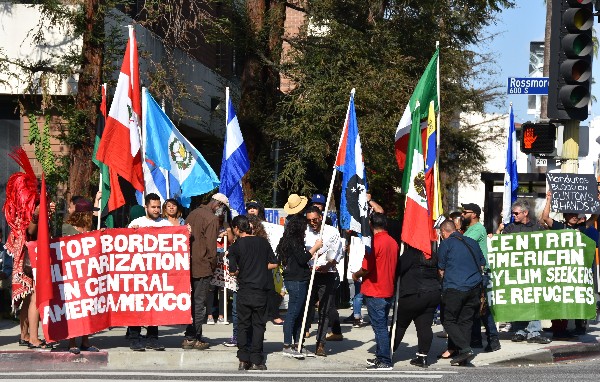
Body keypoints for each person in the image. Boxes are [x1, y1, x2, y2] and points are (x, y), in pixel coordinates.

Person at [542, 191, 597, 339]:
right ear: (565, 216)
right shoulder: (559, 226)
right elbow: (545, 217)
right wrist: (549, 199)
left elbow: (595, 216)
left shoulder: (581, 228)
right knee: (558, 298)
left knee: (571, 299)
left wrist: (596, 200)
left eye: (576, 214)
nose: (574, 216)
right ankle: (558, 328)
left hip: (575, 272)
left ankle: (567, 327)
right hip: (559, 270)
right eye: (571, 214)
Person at [228, 215, 279, 371]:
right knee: (258, 325)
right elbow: (274, 262)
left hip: (244, 290)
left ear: (237, 229)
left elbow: (232, 271)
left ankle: (243, 359)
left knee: (243, 325)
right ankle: (257, 359)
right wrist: (260, 267)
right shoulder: (263, 242)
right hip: (261, 290)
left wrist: (242, 269)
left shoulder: (235, 247)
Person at [499, 199, 551, 345]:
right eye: (513, 213)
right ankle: (519, 330)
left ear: (525, 213)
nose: (514, 215)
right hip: (516, 273)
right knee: (518, 300)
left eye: (516, 213)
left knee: (533, 300)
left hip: (534, 272)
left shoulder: (537, 228)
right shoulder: (510, 229)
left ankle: (534, 331)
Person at [352, 212, 398, 371]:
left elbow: (366, 268)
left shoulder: (373, 243)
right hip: (387, 289)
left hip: (375, 289)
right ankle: (381, 356)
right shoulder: (393, 242)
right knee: (381, 325)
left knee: (379, 327)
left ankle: (384, 360)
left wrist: (356, 274)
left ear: (371, 224)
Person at [127, 193, 172, 351]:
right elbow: (125, 246)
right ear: (145, 207)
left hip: (158, 273)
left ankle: (153, 338)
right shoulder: (136, 223)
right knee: (137, 305)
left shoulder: (166, 224)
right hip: (139, 274)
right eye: (153, 207)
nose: (156, 210)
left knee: (155, 306)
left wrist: (185, 231)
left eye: (158, 207)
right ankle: (134, 337)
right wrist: (131, 232)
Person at [182, 193, 227, 350]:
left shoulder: (193, 213)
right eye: (223, 209)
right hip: (203, 266)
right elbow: (211, 248)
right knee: (199, 303)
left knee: (192, 302)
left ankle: (190, 334)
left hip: (188, 264)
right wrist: (213, 266)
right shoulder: (212, 218)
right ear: (218, 205)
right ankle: (193, 337)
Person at [437, 219, 485, 366]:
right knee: (466, 321)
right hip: (474, 287)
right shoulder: (472, 242)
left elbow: (441, 269)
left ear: (444, 232)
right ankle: (463, 354)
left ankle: (464, 349)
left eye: (441, 233)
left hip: (455, 287)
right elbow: (482, 263)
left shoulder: (446, 244)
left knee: (448, 320)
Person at [277, 214, 322, 359]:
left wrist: (311, 255)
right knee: (293, 312)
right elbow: (302, 259)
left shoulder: (289, 240)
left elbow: (299, 258)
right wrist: (315, 247)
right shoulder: (293, 240)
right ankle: (287, 345)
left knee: (300, 313)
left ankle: (298, 344)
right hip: (296, 280)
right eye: (304, 226)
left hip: (297, 278)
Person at [62, 198, 101, 354]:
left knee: (88, 309)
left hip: (88, 275)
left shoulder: (91, 230)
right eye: (91, 213)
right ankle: (72, 342)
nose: (93, 216)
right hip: (72, 276)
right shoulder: (67, 228)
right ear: (85, 214)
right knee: (74, 310)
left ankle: (85, 341)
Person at [392, 244, 441, 368]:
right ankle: (422, 357)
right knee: (424, 326)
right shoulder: (433, 255)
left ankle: (387, 352)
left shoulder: (410, 254)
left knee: (400, 325)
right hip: (432, 293)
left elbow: (397, 270)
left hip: (413, 294)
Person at [460, 203, 500, 352]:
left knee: (483, 309)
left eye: (465, 212)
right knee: (473, 307)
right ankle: (476, 339)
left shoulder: (478, 229)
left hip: (480, 273)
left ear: (474, 214)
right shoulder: (469, 229)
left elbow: (463, 242)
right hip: (471, 272)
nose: (462, 214)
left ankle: (493, 340)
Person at [303, 206, 343, 357]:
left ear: (320, 217)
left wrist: (329, 264)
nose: (312, 223)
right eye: (309, 220)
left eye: (314, 219)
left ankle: (321, 344)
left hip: (326, 273)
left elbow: (338, 251)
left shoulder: (331, 231)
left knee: (325, 310)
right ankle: (299, 340)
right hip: (308, 273)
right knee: (305, 307)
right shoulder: (305, 231)